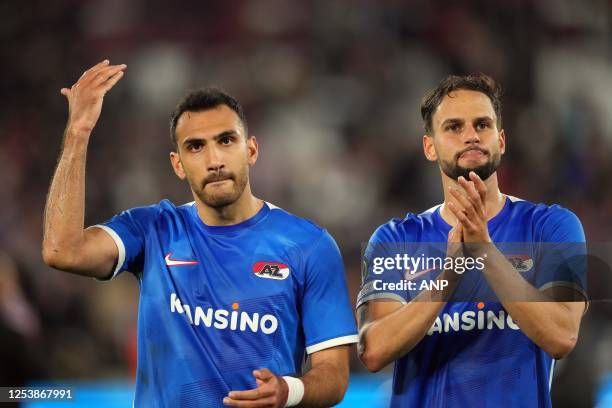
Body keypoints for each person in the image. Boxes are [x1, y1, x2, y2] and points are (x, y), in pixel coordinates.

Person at [42, 60, 358, 407]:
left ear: (250, 150)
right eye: (195, 146)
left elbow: (334, 375)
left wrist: (288, 391)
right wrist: (78, 133)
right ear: (178, 164)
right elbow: (62, 251)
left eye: (226, 140)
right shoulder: (153, 230)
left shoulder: (308, 245)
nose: (214, 159)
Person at [356, 74, 587, 407]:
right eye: (453, 127)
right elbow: (373, 351)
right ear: (429, 146)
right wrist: (450, 274)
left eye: (482, 125)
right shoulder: (397, 238)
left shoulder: (550, 227)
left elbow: (563, 336)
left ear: (501, 140)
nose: (471, 136)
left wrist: (484, 251)